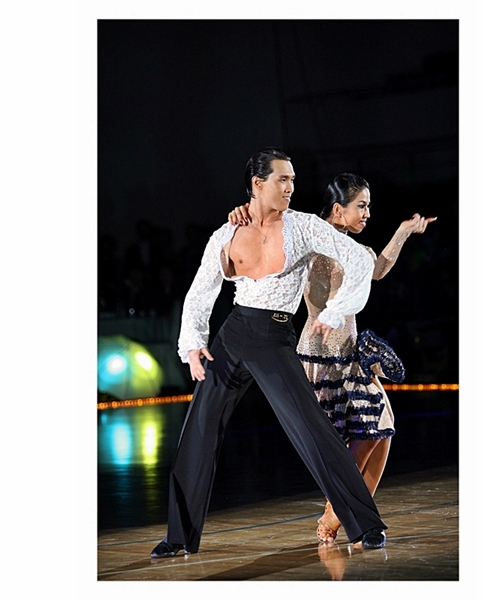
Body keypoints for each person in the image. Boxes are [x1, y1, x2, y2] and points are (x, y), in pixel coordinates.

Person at [150, 148, 387, 560]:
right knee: (199, 430)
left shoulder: (305, 227)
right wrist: (192, 344)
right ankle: (178, 536)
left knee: (312, 430)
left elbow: (358, 261)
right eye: (283, 179)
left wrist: (335, 310)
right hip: (234, 333)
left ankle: (366, 524)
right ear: (258, 184)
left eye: (293, 179)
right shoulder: (228, 231)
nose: (291, 187)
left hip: (274, 336)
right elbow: (202, 288)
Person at [228, 172, 436, 544]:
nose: (367, 213)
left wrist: (403, 231)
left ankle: (351, 516)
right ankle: (338, 517)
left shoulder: (351, 248)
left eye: (369, 206)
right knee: (359, 437)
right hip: (322, 356)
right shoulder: (309, 244)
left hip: (350, 354)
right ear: (338, 210)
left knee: (380, 430)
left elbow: (376, 270)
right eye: (361, 206)